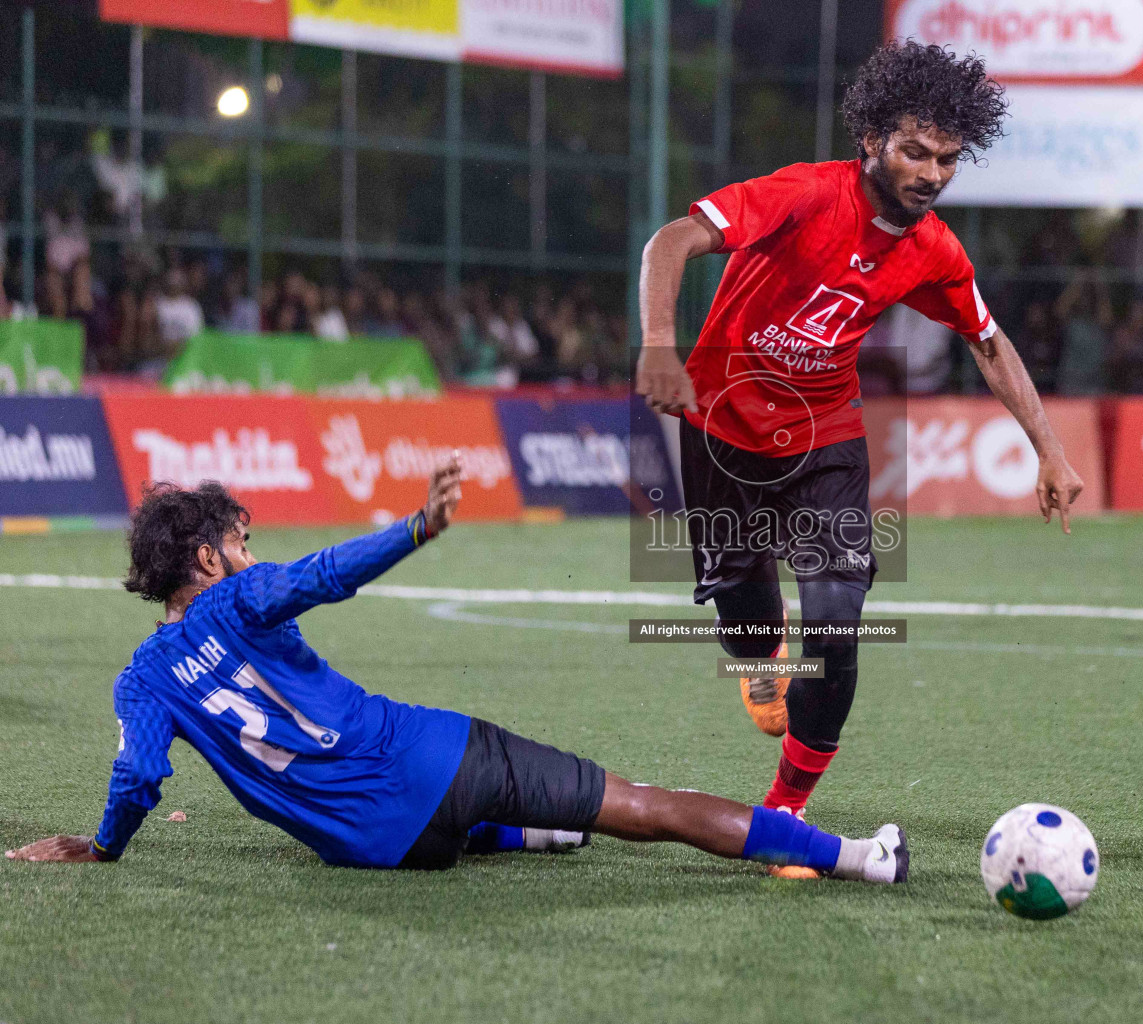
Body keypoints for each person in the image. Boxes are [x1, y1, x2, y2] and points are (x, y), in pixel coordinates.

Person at [5, 460, 907, 884]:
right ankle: (858, 858)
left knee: (469, 819)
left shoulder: (140, 680)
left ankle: (532, 835)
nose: (251, 554)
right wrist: (416, 528)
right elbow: (326, 574)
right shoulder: (239, 600)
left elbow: (138, 777)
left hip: (373, 851)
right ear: (205, 559)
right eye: (241, 543)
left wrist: (104, 845)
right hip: (436, 762)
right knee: (642, 804)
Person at [635, 41, 1084, 843]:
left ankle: (786, 813)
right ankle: (759, 651)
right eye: (915, 151)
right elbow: (670, 241)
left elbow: (987, 340)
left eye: (948, 159)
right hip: (722, 430)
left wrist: (1049, 449)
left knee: (837, 625)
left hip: (825, 441)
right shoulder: (804, 193)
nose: (932, 173)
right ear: (871, 138)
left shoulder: (934, 248)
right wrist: (659, 344)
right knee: (746, 629)